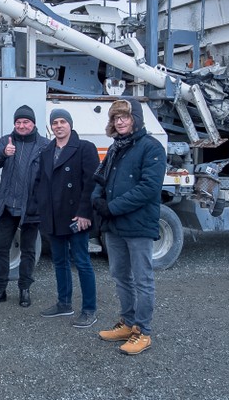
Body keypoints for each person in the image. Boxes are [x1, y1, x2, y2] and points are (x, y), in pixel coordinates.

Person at [92, 98, 167, 355]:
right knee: (120, 276)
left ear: (136, 118)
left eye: (125, 116)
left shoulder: (151, 148)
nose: (120, 121)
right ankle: (127, 322)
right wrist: (96, 198)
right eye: (116, 117)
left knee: (142, 279)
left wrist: (112, 207)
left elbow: (148, 188)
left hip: (138, 226)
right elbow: (100, 178)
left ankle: (142, 332)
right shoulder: (115, 148)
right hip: (114, 227)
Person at [32, 108, 100, 328]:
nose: (58, 125)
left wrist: (84, 213)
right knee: (59, 262)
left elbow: (92, 183)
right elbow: (41, 182)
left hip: (76, 217)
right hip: (53, 216)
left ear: (70, 124)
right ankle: (64, 304)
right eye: (55, 122)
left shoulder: (85, 148)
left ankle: (89, 310)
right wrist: (41, 209)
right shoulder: (47, 151)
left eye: (62, 121)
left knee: (82, 262)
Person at [0, 104, 49, 308]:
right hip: (8, 205)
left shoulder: (45, 145)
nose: (21, 125)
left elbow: (49, 176)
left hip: (31, 207)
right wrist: (3, 152)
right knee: (2, 248)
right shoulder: (6, 141)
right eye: (18, 122)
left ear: (33, 124)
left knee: (28, 251)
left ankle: (24, 290)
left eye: (25, 122)